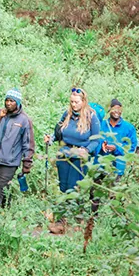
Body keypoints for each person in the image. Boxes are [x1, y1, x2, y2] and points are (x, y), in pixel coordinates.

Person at [44, 87, 101, 234]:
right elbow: (58, 132)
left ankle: (75, 220)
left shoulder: (91, 117)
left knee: (75, 188)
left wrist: (87, 150)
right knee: (64, 188)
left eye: (76, 102)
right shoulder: (67, 115)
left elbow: (96, 139)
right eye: (71, 102)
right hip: (64, 154)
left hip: (79, 156)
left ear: (83, 101)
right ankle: (64, 221)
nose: (73, 104)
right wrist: (50, 139)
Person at [0, 88, 35, 218]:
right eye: (7, 100)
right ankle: (8, 214)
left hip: (11, 162)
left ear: (17, 103)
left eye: (12, 101)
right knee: (4, 189)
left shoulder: (24, 120)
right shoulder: (1, 114)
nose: (8, 103)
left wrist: (27, 163)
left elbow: (28, 143)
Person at [99, 98, 138, 177]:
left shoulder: (129, 128)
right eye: (114, 108)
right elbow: (94, 140)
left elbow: (131, 148)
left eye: (119, 109)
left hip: (118, 169)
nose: (117, 111)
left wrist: (116, 148)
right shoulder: (101, 124)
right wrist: (102, 144)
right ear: (109, 109)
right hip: (101, 167)